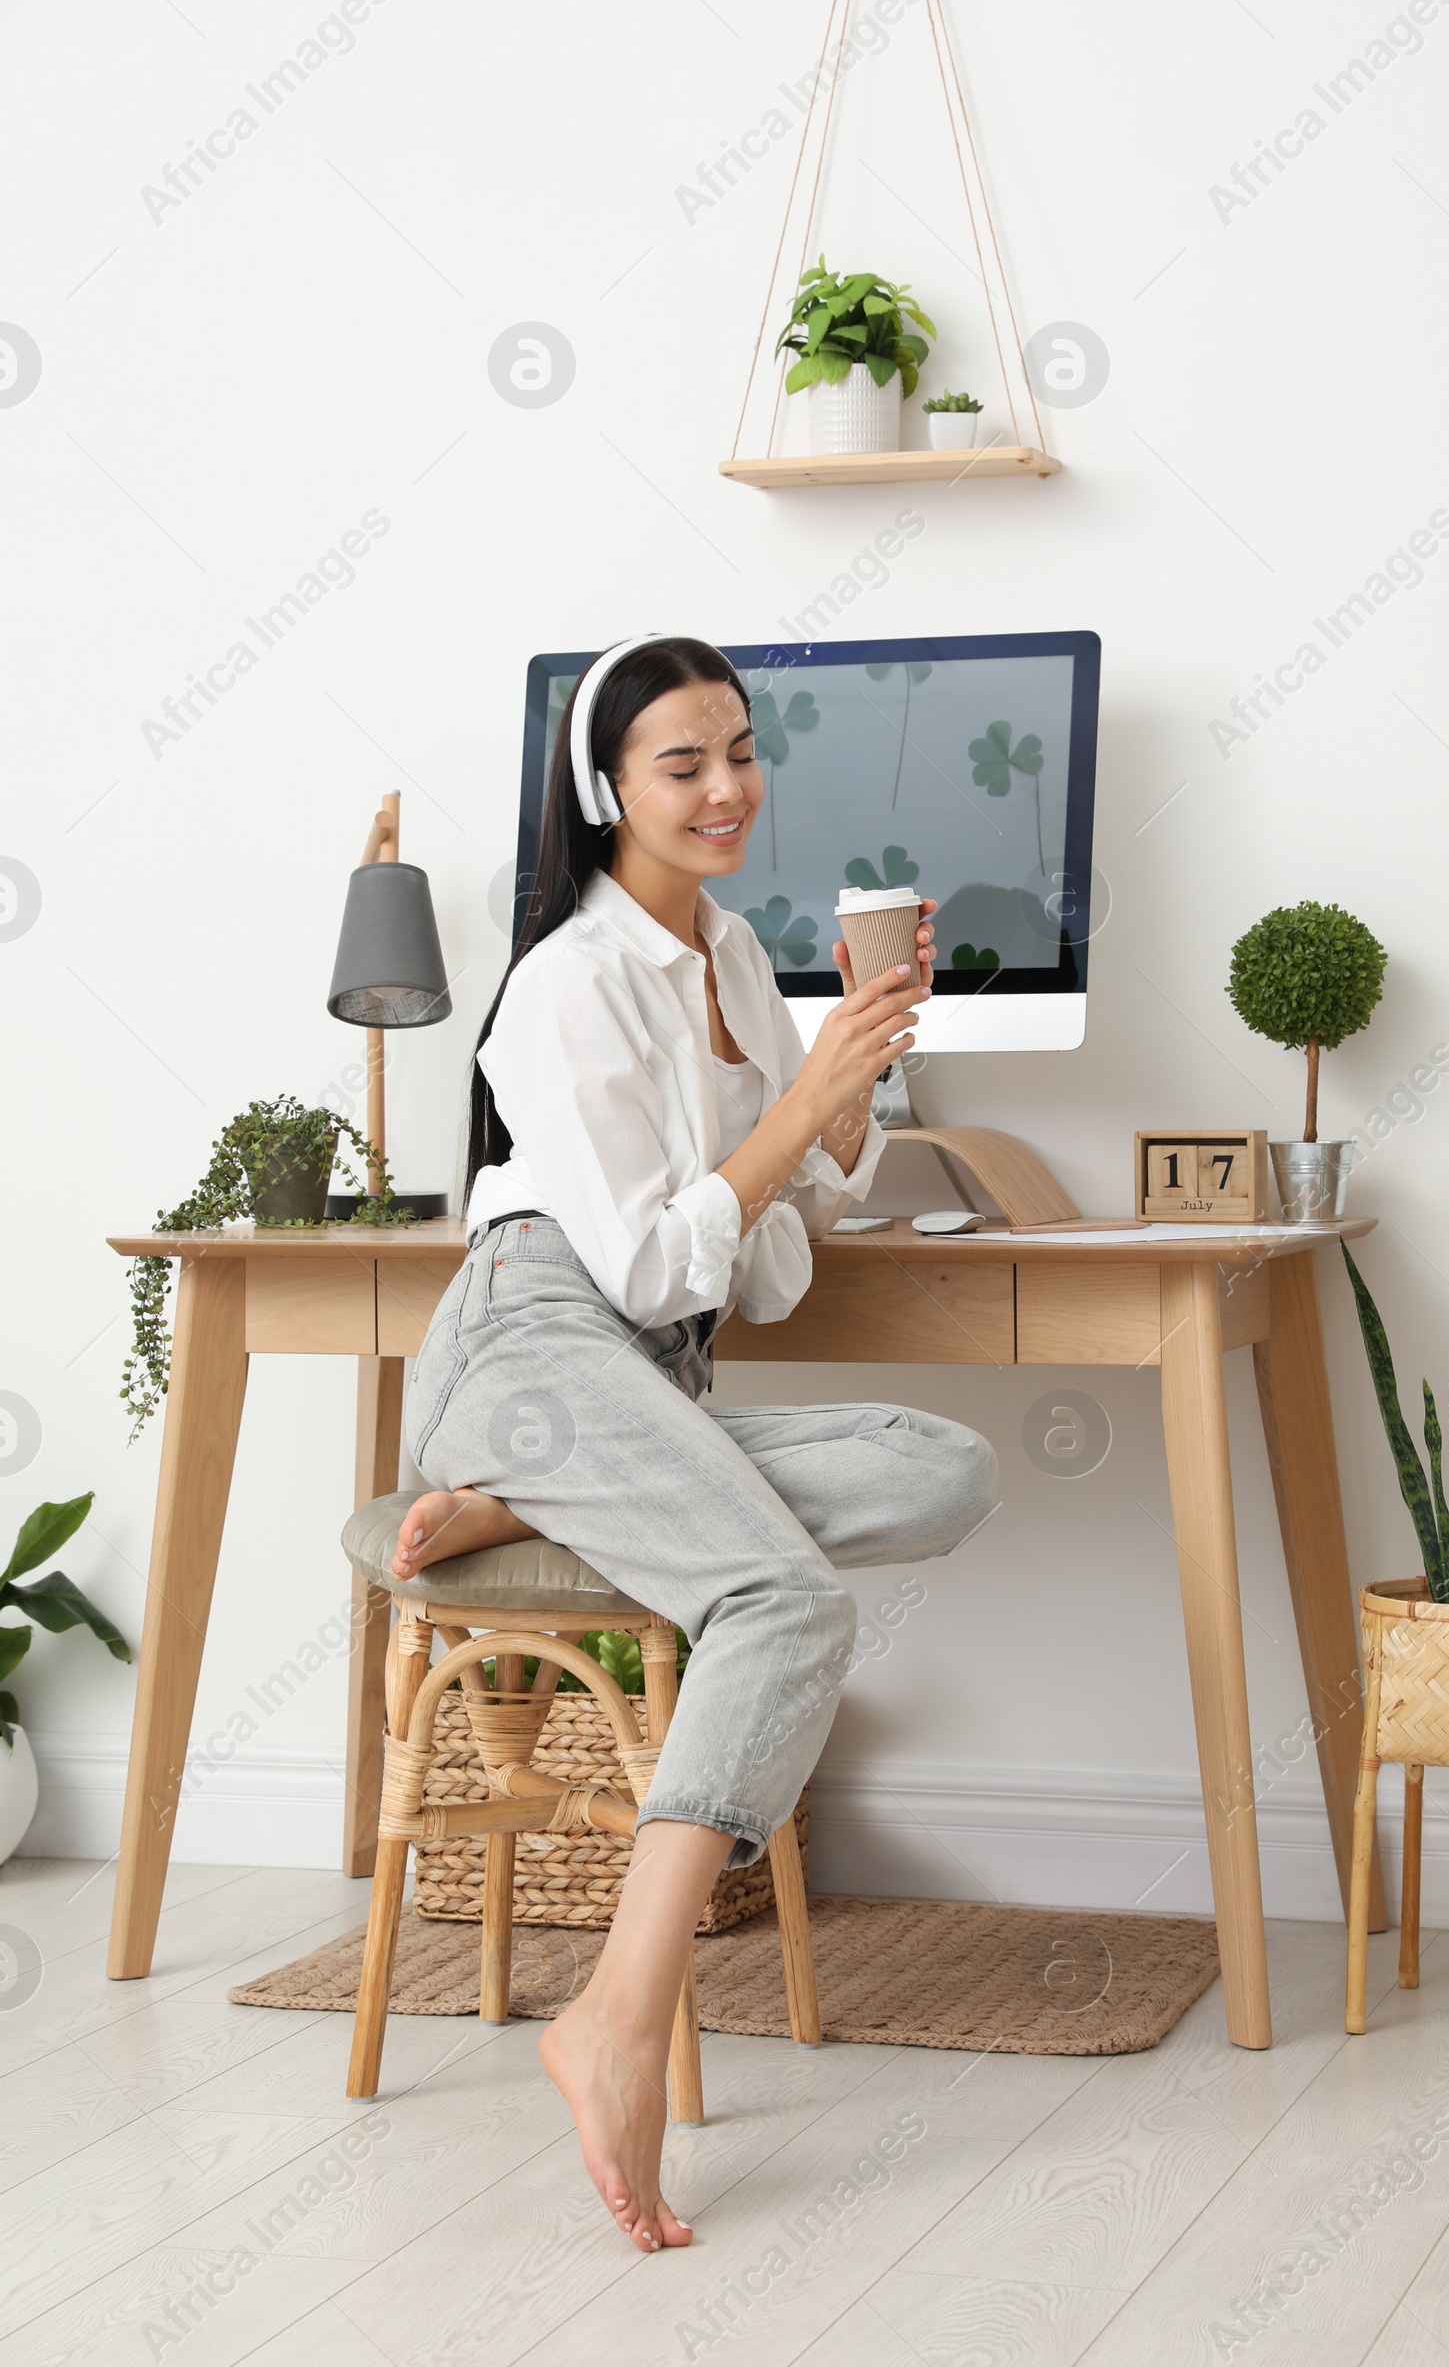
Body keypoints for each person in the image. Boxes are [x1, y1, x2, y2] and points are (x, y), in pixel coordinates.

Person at [392, 635, 999, 2253]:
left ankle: (529, 1504)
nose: (727, 786)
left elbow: (775, 1265)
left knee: (948, 1466)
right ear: (607, 789)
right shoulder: (564, 987)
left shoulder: (736, 957)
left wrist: (858, 1077)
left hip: (653, 1384)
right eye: (683, 761)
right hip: (534, 1341)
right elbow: (651, 1260)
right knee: (785, 1602)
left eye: (742, 749)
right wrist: (792, 1114)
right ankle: (619, 2017)